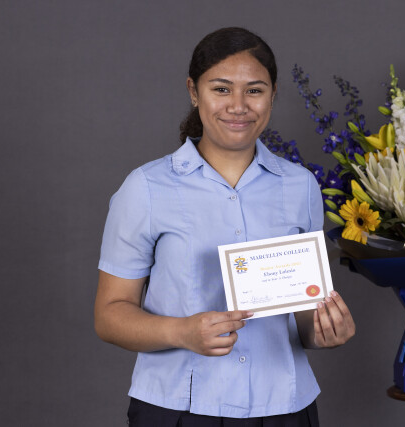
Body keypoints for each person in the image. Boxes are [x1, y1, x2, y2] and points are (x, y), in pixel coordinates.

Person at [95, 27, 355, 427]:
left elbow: (304, 318)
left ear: (272, 95)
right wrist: (182, 332)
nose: (238, 106)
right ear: (193, 91)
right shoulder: (145, 188)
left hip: (285, 408)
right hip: (180, 409)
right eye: (221, 89)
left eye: (254, 90)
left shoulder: (300, 186)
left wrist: (324, 331)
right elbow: (110, 315)